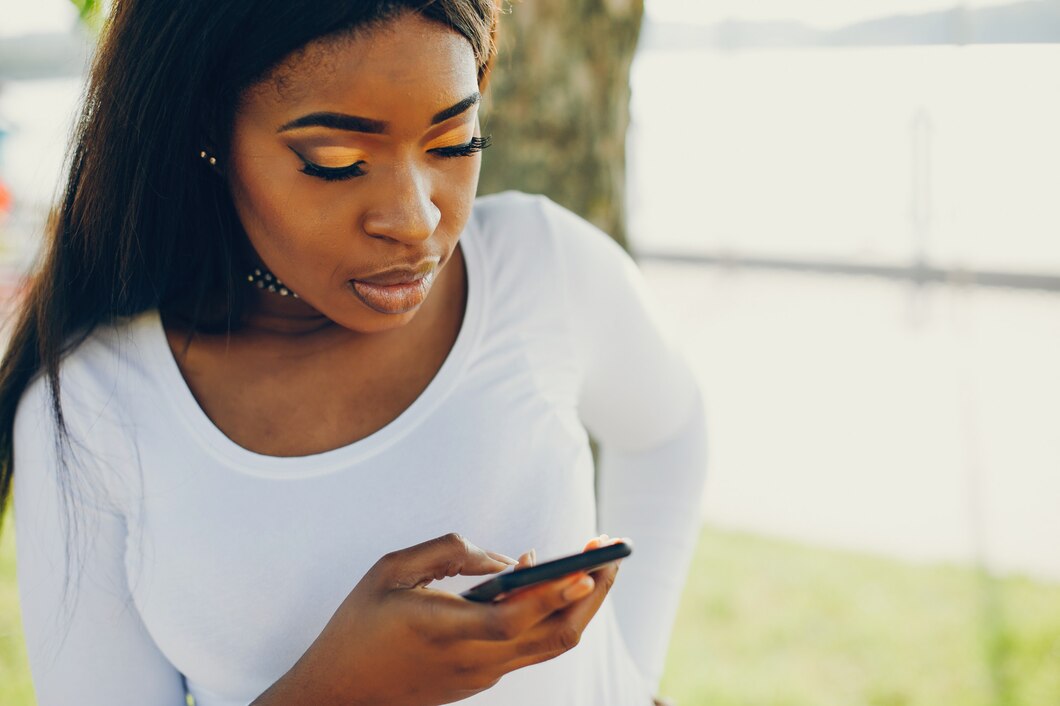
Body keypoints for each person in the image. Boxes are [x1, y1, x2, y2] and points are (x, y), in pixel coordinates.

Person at [0, 1, 706, 705]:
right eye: (337, 162)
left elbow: (670, 434)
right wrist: (339, 691)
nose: (415, 219)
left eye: (454, 142)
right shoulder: (93, 410)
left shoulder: (539, 265)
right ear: (204, 132)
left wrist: (630, 678)